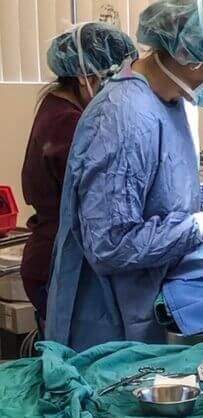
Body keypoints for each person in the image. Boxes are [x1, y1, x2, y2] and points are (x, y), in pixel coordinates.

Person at [45, 0, 203, 351]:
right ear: (191, 54)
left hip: (149, 304)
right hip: (111, 325)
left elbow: (173, 196)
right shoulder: (122, 117)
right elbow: (110, 245)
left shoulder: (170, 103)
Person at [21, 22, 137, 320]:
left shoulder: (59, 106)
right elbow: (100, 204)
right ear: (86, 77)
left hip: (52, 254)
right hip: (59, 263)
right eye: (115, 79)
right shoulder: (69, 124)